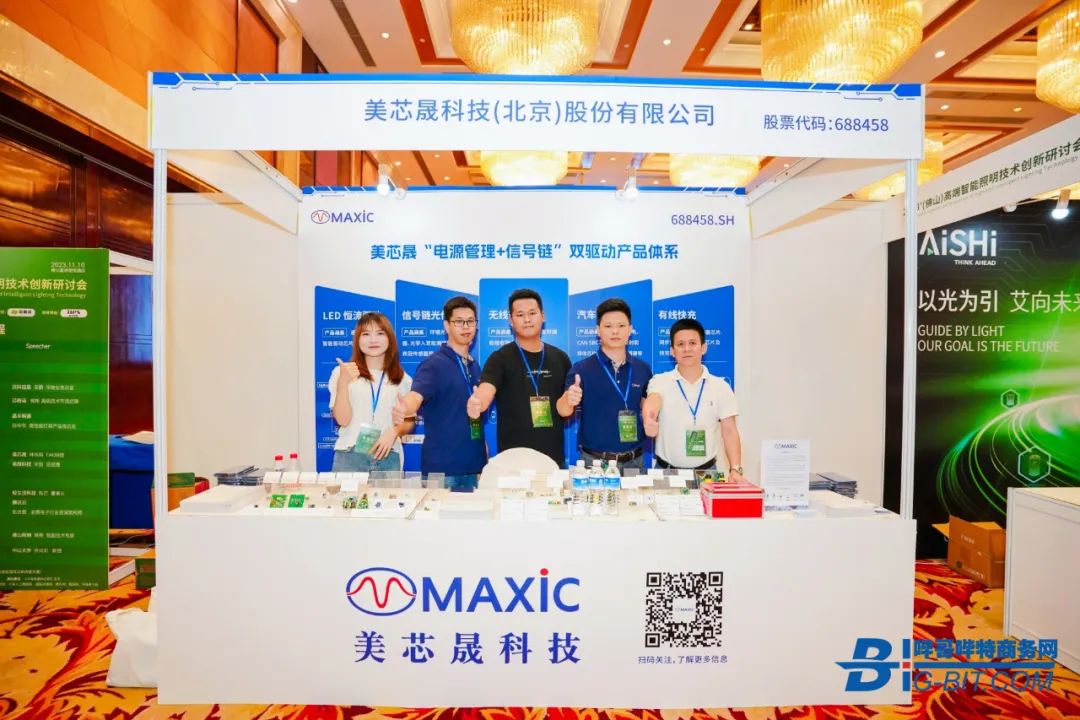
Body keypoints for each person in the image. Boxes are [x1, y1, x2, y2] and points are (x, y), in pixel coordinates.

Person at [467, 288, 571, 468]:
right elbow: (486, 390)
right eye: (520, 315)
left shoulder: (560, 358)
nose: (527, 320)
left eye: (532, 313)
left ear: (543, 316)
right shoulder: (500, 358)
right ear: (510, 320)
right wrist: (478, 402)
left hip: (553, 461)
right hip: (513, 463)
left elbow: (567, 407)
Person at [392, 296, 486, 491]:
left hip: (474, 466)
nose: (466, 327)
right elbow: (415, 396)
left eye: (470, 321)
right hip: (443, 470)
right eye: (459, 321)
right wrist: (405, 407)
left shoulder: (474, 366)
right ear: (446, 326)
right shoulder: (433, 364)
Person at [556, 298, 652, 471]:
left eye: (621, 326)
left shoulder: (642, 369)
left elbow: (648, 410)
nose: (615, 331)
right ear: (597, 330)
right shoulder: (581, 369)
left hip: (635, 462)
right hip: (595, 463)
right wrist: (569, 398)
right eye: (608, 326)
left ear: (630, 330)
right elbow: (563, 411)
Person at [642, 318, 745, 480]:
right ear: (672, 351)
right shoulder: (660, 381)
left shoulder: (721, 387)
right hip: (666, 472)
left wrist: (735, 469)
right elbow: (653, 400)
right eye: (680, 344)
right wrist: (649, 418)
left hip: (708, 473)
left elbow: (730, 431)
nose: (687, 349)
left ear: (703, 347)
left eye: (692, 343)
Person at [328, 311, 414, 472]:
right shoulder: (342, 373)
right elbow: (342, 420)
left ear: (389, 338)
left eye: (380, 333)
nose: (373, 340)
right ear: (357, 340)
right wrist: (343, 383)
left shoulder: (403, 379)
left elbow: (409, 421)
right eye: (366, 334)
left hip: (387, 454)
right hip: (349, 455)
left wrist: (394, 431)